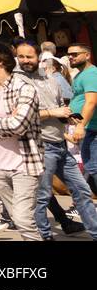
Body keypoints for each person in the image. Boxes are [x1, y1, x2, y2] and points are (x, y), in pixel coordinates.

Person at [19, 41, 96, 239]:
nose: (25, 61)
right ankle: (45, 236)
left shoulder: (51, 80)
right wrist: (53, 112)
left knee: (82, 190)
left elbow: (61, 105)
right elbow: (20, 116)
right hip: (41, 146)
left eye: (30, 56)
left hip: (60, 144)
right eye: (21, 57)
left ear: (39, 58)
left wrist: (68, 117)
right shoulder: (18, 82)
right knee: (43, 196)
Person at [0, 41, 42, 241]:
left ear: (1, 61)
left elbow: (19, 125)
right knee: (17, 217)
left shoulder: (24, 88)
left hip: (25, 163)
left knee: (23, 219)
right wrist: (3, 122)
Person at [66, 43, 97, 193]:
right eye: (69, 55)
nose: (71, 57)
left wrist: (80, 125)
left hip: (92, 128)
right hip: (88, 128)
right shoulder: (80, 75)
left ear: (87, 55)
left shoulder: (91, 74)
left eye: (75, 54)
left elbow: (91, 101)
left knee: (93, 166)